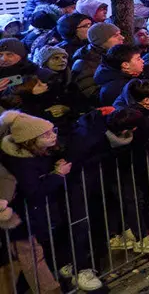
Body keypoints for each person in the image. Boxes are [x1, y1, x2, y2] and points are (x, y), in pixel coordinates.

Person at [0, 111, 103, 291]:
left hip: (21, 216)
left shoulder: (30, 154)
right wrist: (58, 175)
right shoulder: (21, 163)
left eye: (52, 131)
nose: (53, 136)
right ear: (30, 140)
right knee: (29, 257)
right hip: (16, 217)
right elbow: (33, 191)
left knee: (27, 257)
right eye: (46, 134)